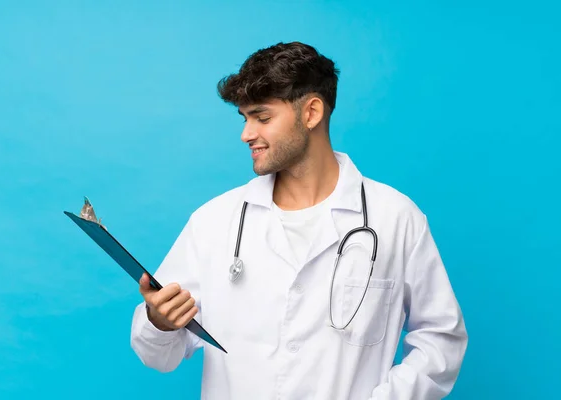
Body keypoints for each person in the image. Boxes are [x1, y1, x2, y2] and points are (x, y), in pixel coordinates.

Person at [130, 41, 468, 399]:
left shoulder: (395, 218)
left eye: (262, 118)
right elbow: (157, 357)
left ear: (311, 113)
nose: (246, 134)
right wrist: (160, 323)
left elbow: (441, 338)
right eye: (245, 119)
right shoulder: (214, 221)